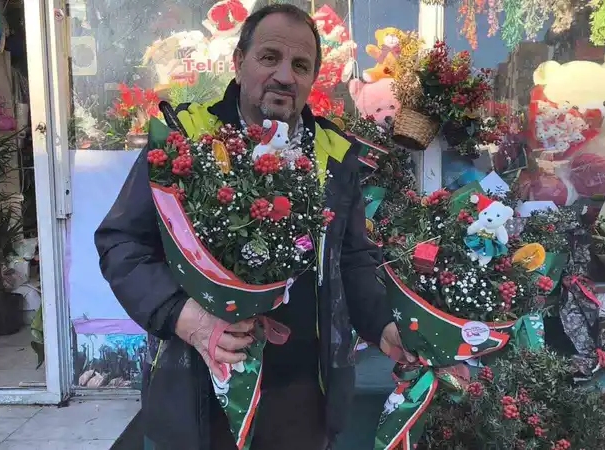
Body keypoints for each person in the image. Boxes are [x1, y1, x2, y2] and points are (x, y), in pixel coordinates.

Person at [95, 4, 411, 450]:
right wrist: (186, 318)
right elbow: (122, 243)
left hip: (304, 399)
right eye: (269, 58)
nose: (284, 76)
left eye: (300, 65)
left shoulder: (335, 154)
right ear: (238, 62)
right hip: (199, 397)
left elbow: (353, 260)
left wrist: (383, 325)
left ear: (313, 79)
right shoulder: (186, 137)